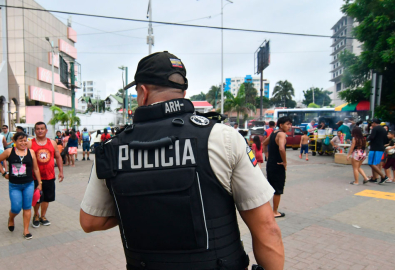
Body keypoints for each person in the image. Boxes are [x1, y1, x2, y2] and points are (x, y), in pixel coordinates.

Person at [79, 51, 284, 270]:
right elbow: (267, 228)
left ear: (142, 92)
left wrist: (148, 205)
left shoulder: (112, 148)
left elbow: (91, 221)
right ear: (183, 91)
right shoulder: (222, 137)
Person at [0, 132, 42, 240]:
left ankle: (26, 230)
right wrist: (3, 173)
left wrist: (39, 183)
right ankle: (11, 218)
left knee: (27, 207)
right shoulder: (9, 151)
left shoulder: (31, 152)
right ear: (15, 141)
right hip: (14, 185)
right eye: (20, 140)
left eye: (25, 140)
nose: (23, 142)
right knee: (16, 208)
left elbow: (35, 169)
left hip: (29, 185)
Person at [28, 122, 64, 228]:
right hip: (34, 177)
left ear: (46, 130)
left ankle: (43, 216)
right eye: (38, 129)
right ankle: (35, 215)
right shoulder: (30, 143)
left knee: (47, 198)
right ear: (35, 131)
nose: (40, 130)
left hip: (49, 176)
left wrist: (61, 171)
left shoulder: (52, 143)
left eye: (42, 128)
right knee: (37, 198)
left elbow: (58, 157)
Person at [263, 116, 292, 218]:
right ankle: (275, 212)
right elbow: (281, 149)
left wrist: (267, 155)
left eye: (290, 124)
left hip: (270, 164)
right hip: (278, 165)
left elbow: (264, 143)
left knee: (270, 187)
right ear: (281, 125)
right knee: (278, 189)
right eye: (287, 124)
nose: (289, 126)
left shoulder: (273, 133)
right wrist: (284, 162)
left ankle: (268, 210)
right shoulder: (281, 134)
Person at [367, 119, 389, 184]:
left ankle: (383, 176)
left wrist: (367, 138)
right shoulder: (384, 130)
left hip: (374, 148)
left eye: (372, 123)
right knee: (375, 163)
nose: (371, 124)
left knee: (371, 163)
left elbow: (372, 137)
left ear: (374, 123)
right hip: (381, 148)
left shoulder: (375, 129)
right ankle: (374, 178)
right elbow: (386, 140)